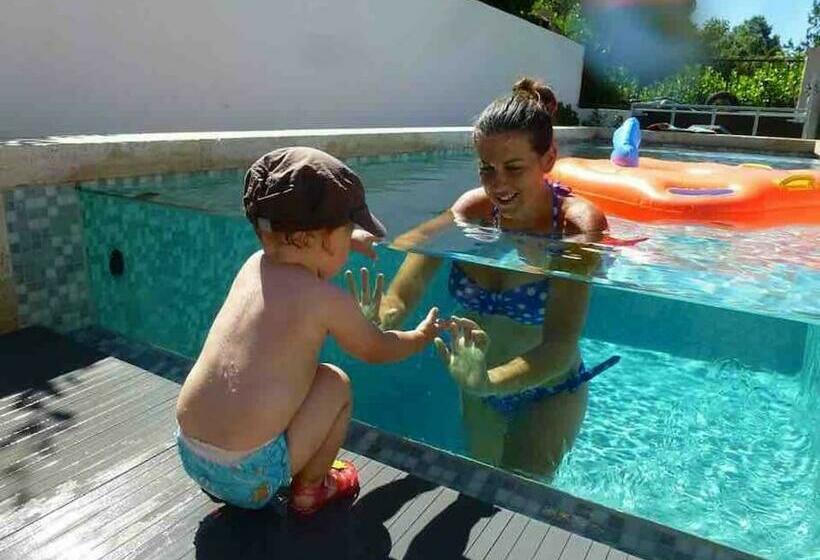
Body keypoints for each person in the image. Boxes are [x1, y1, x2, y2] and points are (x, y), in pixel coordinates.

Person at [372, 78, 619, 478]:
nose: (497, 184)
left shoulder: (576, 226)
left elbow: (559, 345)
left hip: (549, 389)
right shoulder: (472, 211)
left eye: (513, 168)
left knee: (519, 495)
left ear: (548, 158)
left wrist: (488, 380)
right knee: (482, 488)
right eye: (486, 169)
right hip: (480, 387)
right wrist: (377, 317)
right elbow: (404, 286)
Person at [175, 147, 441, 515]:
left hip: (191, 453)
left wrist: (343, 237)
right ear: (329, 240)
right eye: (347, 233)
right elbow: (376, 348)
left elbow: (295, 238)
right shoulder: (326, 300)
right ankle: (312, 489)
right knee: (334, 383)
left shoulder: (253, 267)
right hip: (251, 476)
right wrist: (421, 337)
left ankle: (233, 484)